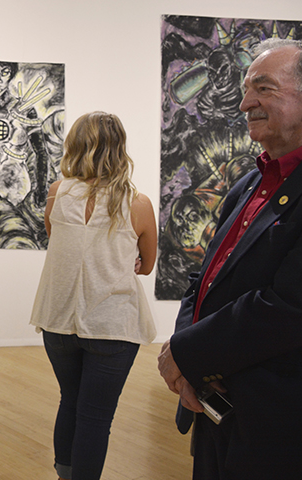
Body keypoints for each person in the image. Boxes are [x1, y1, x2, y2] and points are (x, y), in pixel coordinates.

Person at [158, 38, 302, 479]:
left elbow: (287, 306)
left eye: (264, 88)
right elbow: (204, 278)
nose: (244, 104)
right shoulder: (248, 183)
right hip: (215, 411)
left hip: (278, 426)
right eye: (244, 89)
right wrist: (187, 364)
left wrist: (186, 351)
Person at [30, 111, 157, 480]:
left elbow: (59, 243)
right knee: (96, 416)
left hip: (59, 320)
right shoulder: (138, 203)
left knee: (70, 401)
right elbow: (146, 265)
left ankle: (64, 475)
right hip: (112, 323)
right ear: (120, 150)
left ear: (75, 145)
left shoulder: (58, 193)